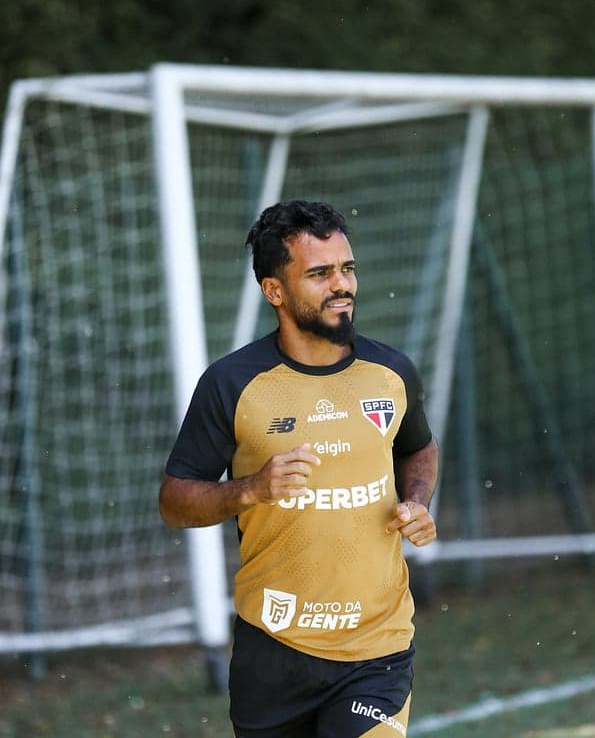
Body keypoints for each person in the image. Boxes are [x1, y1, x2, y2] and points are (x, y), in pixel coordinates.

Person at [159, 199, 439, 738]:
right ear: (275, 291)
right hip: (274, 647)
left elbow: (419, 448)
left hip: (376, 648)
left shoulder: (391, 372)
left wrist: (417, 501)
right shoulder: (232, 384)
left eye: (347, 268)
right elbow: (174, 503)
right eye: (320, 273)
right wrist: (250, 489)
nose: (342, 285)